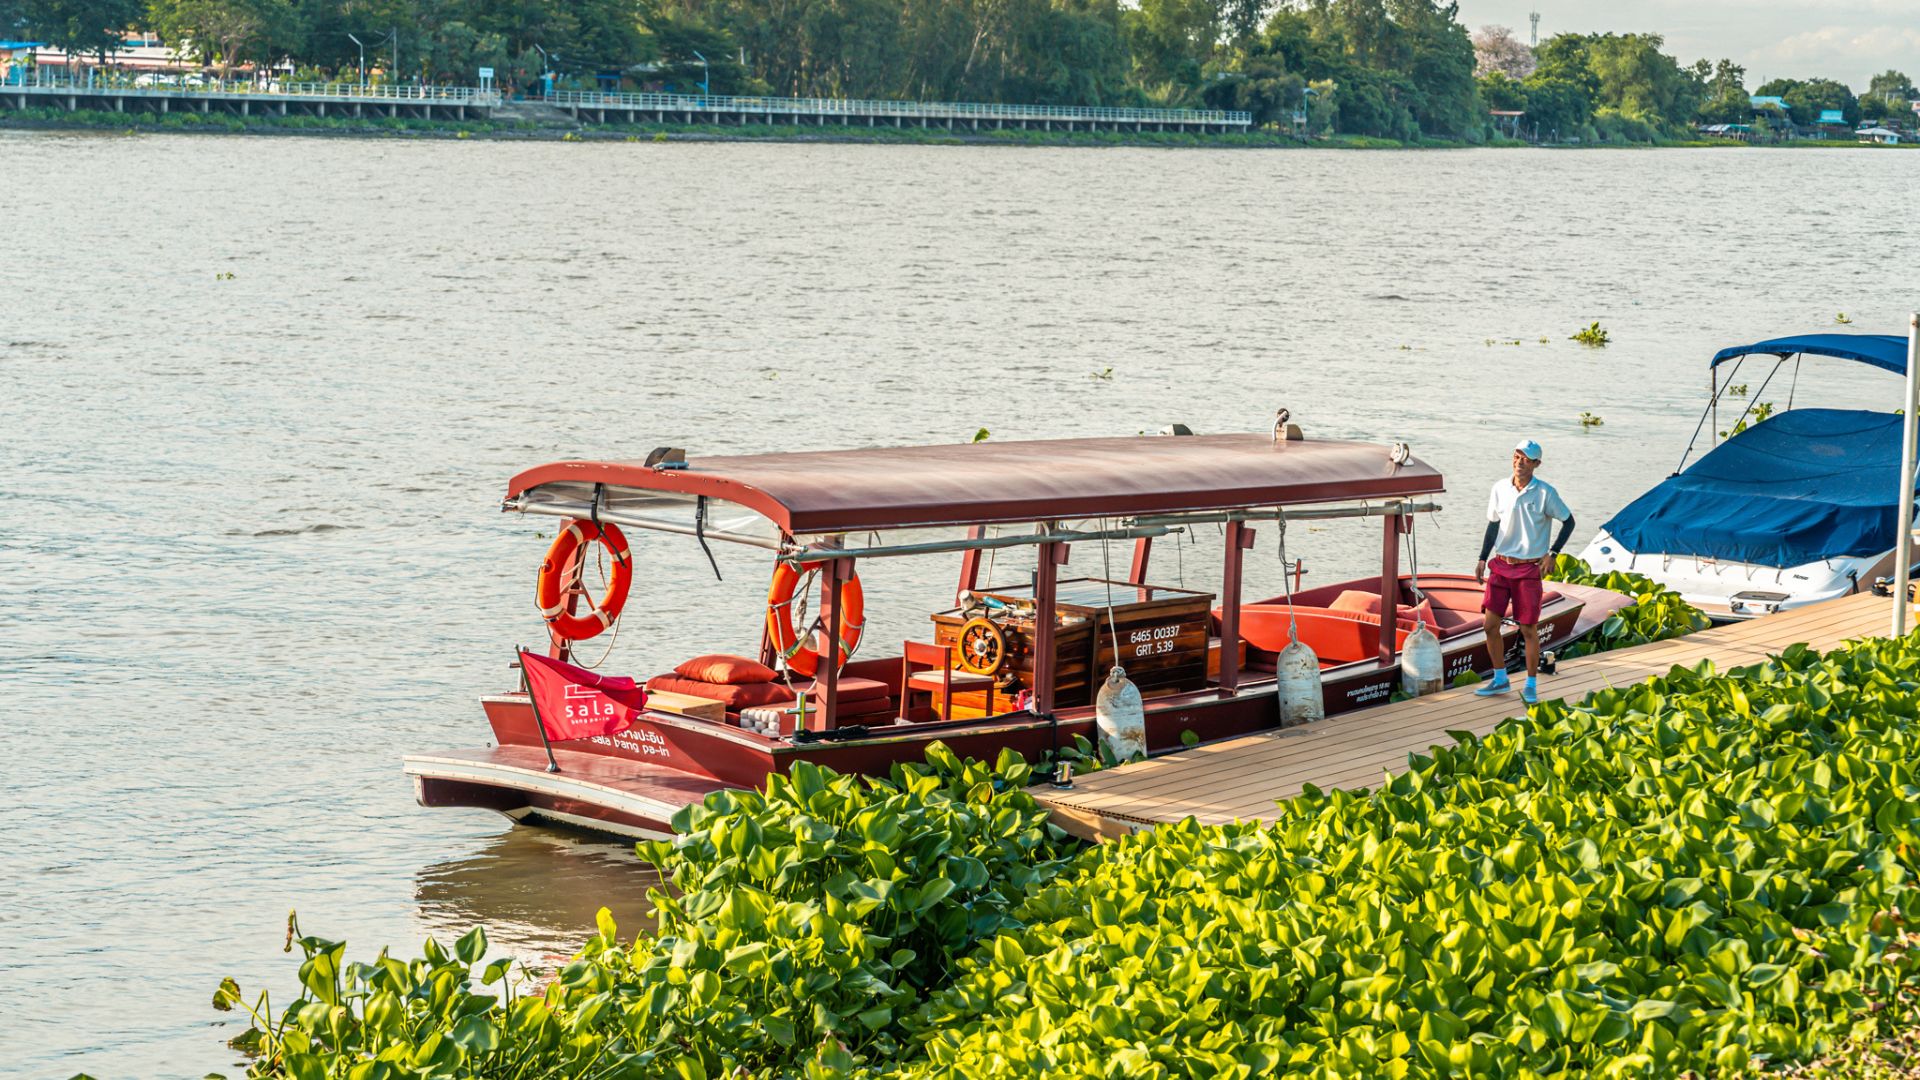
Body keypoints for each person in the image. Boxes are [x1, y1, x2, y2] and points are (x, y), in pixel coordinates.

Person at [1475, 438, 1575, 704]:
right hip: (1500, 565)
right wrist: (1482, 558)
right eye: (1517, 456)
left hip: (1529, 569)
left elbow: (1569, 521)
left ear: (1536, 464)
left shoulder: (1545, 493)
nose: (1520, 462)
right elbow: (1493, 525)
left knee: (1528, 629)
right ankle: (1500, 679)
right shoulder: (1499, 488)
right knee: (1490, 625)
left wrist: (1553, 553)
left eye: (1526, 459)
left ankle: (1530, 684)